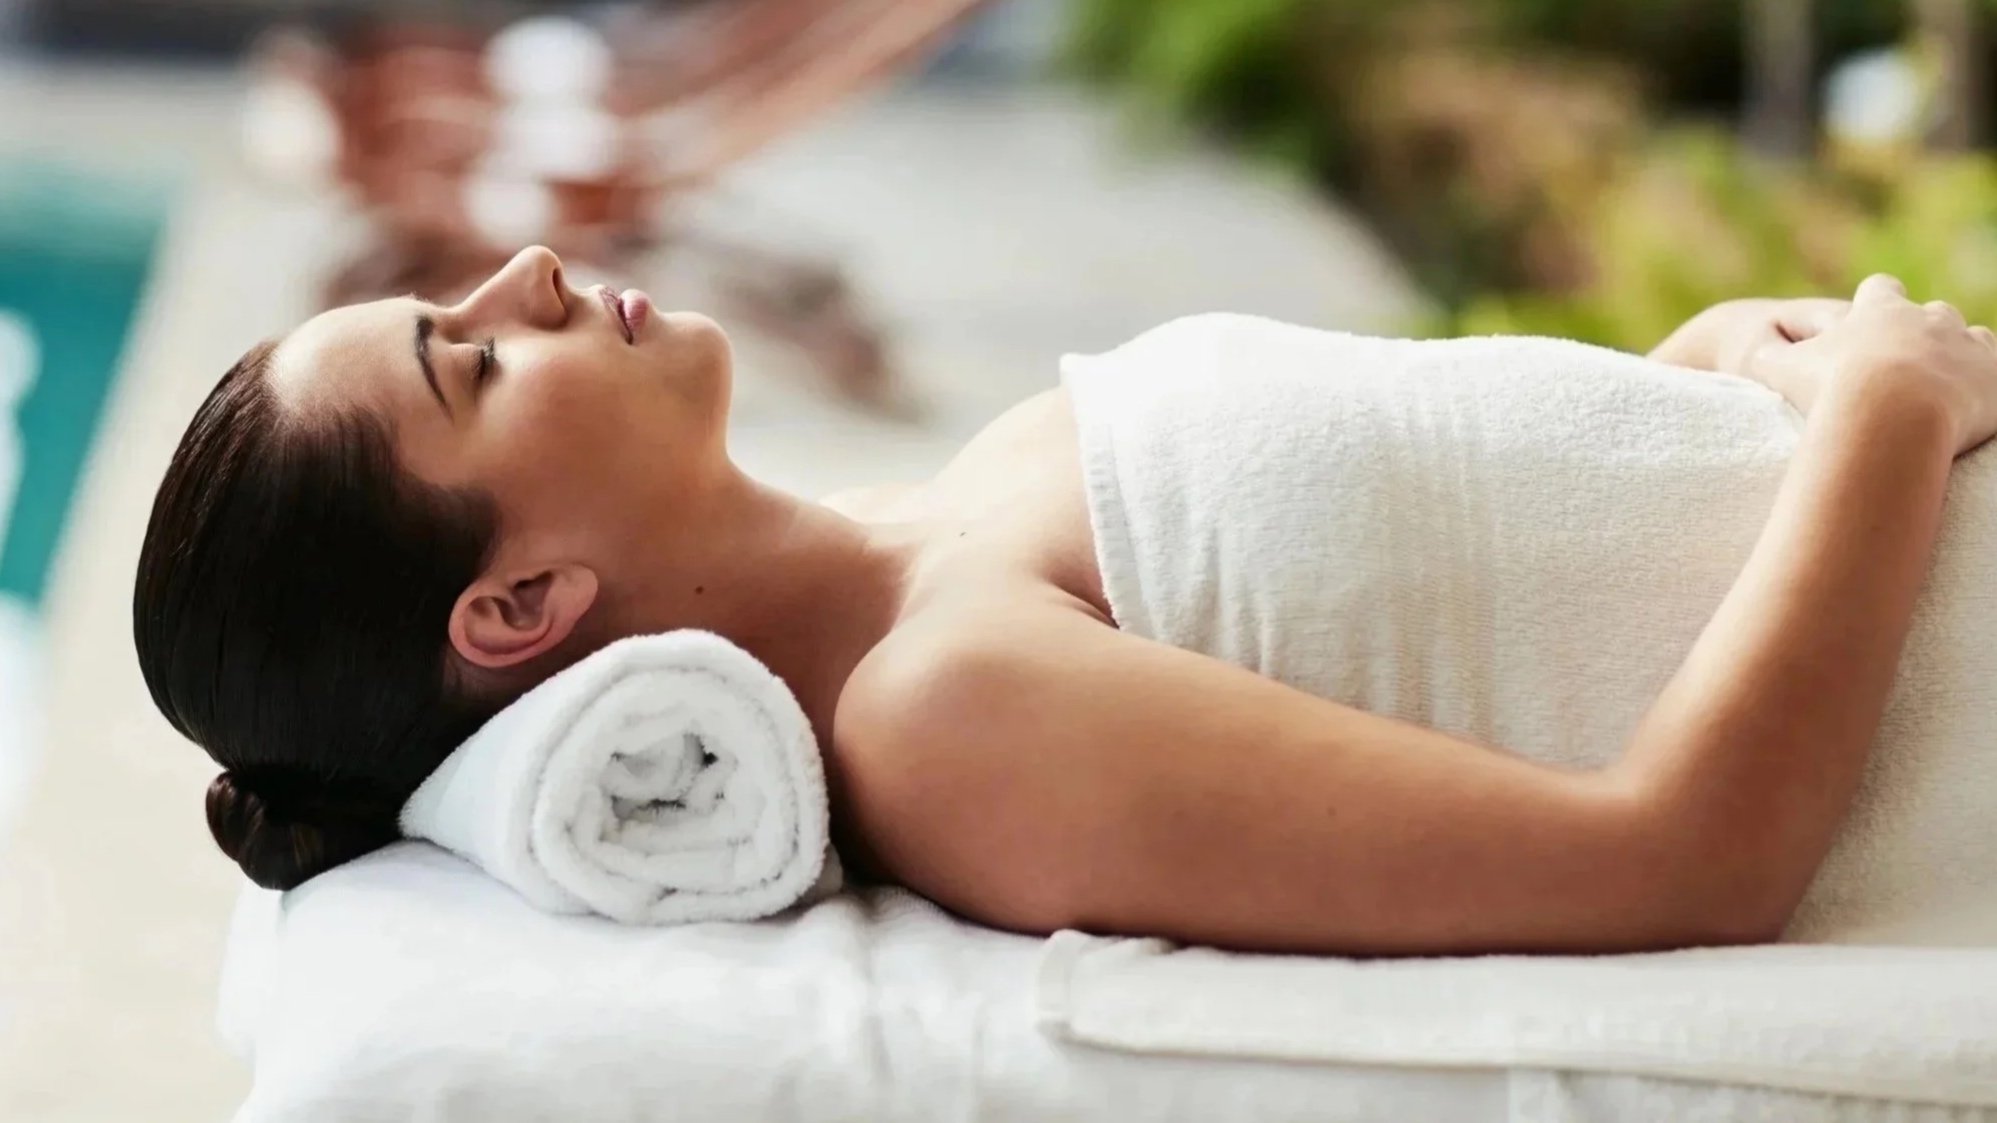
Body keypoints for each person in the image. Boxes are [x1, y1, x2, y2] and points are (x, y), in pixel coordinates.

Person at [133, 246, 1997, 956]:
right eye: (467, 366)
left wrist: (1702, 369)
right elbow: (1669, 863)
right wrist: (1889, 421)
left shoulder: (945, 507)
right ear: (521, 603)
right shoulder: (950, 718)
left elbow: (1483, 529)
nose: (525, 271)